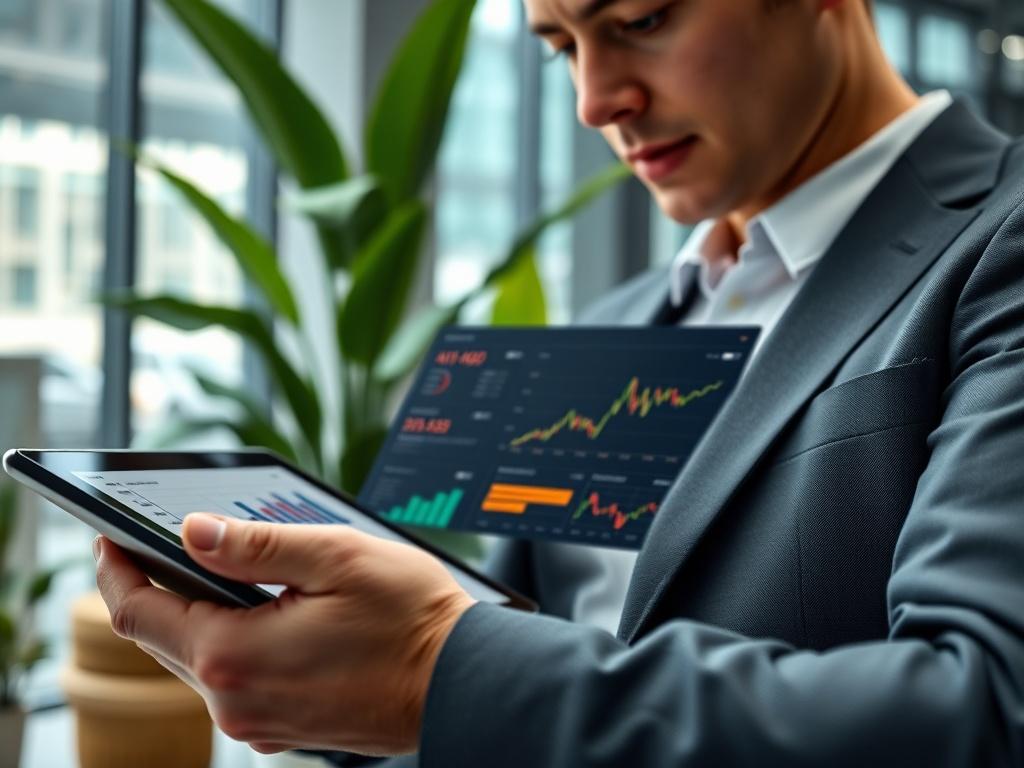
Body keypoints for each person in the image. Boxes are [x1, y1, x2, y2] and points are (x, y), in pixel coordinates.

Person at [95, 0, 1024, 764]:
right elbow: (501, 654)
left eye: (640, 19)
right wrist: (325, 673)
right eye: (559, 47)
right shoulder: (608, 327)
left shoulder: (998, 245)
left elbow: (983, 709)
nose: (592, 100)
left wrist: (432, 670)